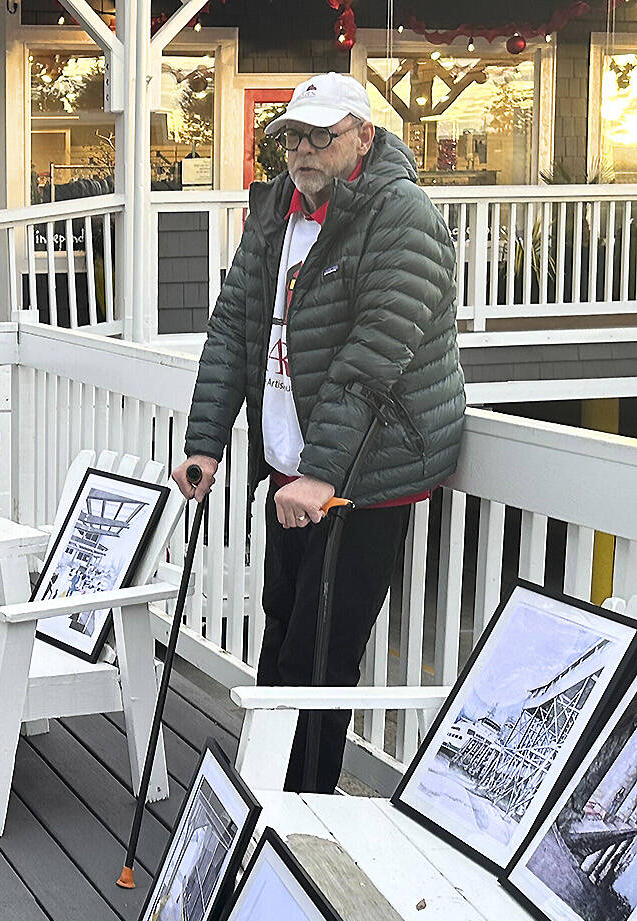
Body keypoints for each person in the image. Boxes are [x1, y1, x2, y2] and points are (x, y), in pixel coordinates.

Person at [170, 72, 466, 794]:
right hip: (293, 469)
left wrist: (322, 474)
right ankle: (261, 796)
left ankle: (299, 813)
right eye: (293, 137)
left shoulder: (401, 217)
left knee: (323, 653)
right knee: (281, 633)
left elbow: (374, 359)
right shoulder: (277, 209)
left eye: (320, 135)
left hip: (360, 477)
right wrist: (206, 439)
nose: (302, 150)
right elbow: (233, 324)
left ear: (364, 136)